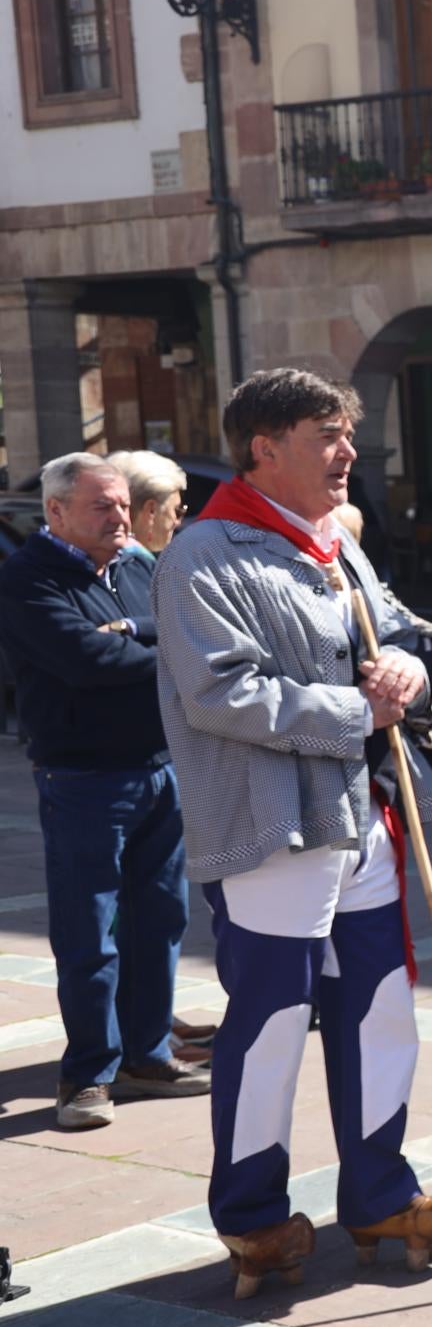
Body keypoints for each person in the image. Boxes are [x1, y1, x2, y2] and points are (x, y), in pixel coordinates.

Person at [155, 370, 432, 1296]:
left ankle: (379, 1192)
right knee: (272, 1028)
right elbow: (220, 691)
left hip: (363, 817)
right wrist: (353, 709)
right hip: (271, 828)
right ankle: (252, 1217)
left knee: (377, 1007)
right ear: (263, 446)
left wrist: (410, 674)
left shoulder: (333, 543)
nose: (347, 454)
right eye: (325, 435)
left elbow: (401, 632)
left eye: (347, 435)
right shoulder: (202, 555)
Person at [0, 453, 200, 1130]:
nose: (121, 518)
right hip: (84, 779)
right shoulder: (28, 577)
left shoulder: (140, 567)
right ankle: (86, 1075)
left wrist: (137, 633)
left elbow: (190, 629)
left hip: (161, 767)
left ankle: (145, 1056)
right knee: (91, 933)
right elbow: (87, 662)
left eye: (122, 505)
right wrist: (160, 651)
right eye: (101, 507)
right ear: (56, 512)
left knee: (162, 920)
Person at [107, 450, 188, 555]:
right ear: (151, 510)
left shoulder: (99, 560)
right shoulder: (136, 566)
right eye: (177, 511)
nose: (178, 522)